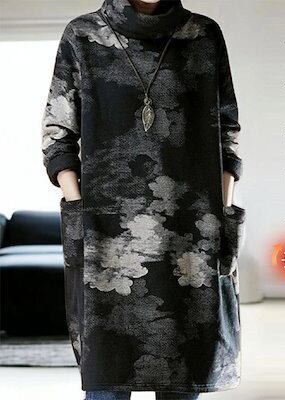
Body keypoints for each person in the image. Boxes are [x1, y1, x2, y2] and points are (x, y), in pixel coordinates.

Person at [41, 0, 245, 399]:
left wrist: (220, 210)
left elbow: (227, 131)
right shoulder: (82, 35)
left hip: (191, 238)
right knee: (106, 382)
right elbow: (57, 133)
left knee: (184, 377)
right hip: (106, 238)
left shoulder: (203, 35)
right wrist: (80, 207)